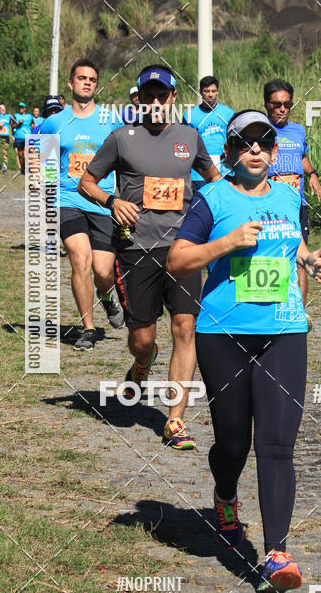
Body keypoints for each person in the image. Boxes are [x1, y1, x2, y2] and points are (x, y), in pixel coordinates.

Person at [167, 110, 321, 593]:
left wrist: (308, 259)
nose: (255, 149)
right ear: (230, 153)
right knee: (234, 443)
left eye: (264, 141)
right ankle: (224, 496)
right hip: (224, 335)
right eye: (245, 142)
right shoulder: (211, 198)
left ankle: (277, 553)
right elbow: (177, 260)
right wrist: (225, 243)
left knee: (277, 445)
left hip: (284, 331)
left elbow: (293, 241)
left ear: (274, 152)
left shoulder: (288, 194)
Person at [78, 64, 221, 450]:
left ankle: (174, 421)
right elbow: (86, 182)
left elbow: (215, 181)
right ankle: (143, 362)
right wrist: (112, 201)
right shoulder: (122, 138)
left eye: (164, 95)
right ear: (138, 99)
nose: (157, 102)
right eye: (150, 95)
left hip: (183, 249)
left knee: (185, 329)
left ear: (174, 98)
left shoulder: (190, 137)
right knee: (142, 338)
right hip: (136, 250)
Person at [39, 60, 125, 350]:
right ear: (70, 84)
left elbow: (125, 155)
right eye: (81, 78)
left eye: (92, 79)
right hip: (68, 199)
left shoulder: (110, 119)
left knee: (103, 271)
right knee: (80, 260)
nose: (87, 82)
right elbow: (43, 160)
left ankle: (106, 297)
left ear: (96, 85)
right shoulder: (55, 122)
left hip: (101, 201)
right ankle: (87, 328)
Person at [263, 79, 321, 306]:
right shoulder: (260, 129)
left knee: (301, 258)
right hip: (268, 203)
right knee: (271, 256)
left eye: (287, 105)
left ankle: (299, 311)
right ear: (267, 105)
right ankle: (271, 307)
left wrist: (313, 174)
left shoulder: (298, 130)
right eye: (277, 104)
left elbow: (303, 157)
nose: (282, 109)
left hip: (296, 205)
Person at [182, 75, 234, 191]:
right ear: (200, 92)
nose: (210, 95)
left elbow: (234, 139)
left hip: (224, 169)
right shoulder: (189, 116)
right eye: (206, 91)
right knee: (203, 203)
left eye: (213, 91)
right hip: (199, 172)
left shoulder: (228, 113)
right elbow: (185, 144)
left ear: (218, 92)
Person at [11, 103, 33, 173]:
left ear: (25, 108)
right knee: (20, 155)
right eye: (20, 107)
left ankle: (27, 168)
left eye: (22, 107)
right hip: (18, 137)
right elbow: (13, 126)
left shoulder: (30, 116)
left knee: (26, 154)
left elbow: (33, 124)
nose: (21, 109)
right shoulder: (16, 116)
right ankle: (22, 169)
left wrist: (33, 127)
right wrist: (18, 123)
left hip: (27, 136)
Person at [0, 103, 12, 173]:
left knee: (5, 152)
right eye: (1, 108)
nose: (3, 110)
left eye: (4, 108)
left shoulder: (8, 116)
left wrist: (12, 135)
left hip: (6, 136)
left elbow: (12, 125)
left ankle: (5, 168)